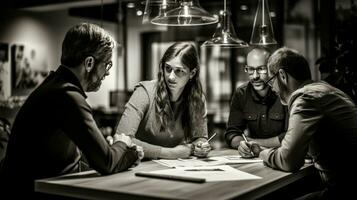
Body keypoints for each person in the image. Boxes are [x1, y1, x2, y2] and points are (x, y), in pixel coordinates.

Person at [0, 23, 143, 198]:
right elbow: (106, 163)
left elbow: (85, 158)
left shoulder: (54, 85)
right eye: (107, 65)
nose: (106, 73)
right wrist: (123, 144)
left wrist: (112, 152)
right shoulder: (67, 95)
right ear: (89, 63)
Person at [238, 47, 357, 199]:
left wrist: (261, 152)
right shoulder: (324, 90)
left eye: (271, 81)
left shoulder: (304, 98)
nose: (272, 88)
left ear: (282, 76)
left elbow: (288, 161)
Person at [115, 42, 211, 159]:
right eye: (168, 68)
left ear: (192, 73)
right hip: (139, 165)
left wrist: (200, 146)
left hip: (176, 167)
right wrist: (169, 153)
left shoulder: (197, 98)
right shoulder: (144, 92)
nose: (171, 77)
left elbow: (200, 137)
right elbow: (121, 138)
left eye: (179, 71)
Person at [225, 47, 287, 150]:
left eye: (261, 69)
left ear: (271, 69)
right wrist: (243, 145)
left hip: (282, 156)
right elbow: (232, 134)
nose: (255, 76)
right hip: (254, 156)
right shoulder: (241, 94)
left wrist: (253, 143)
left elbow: (290, 137)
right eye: (250, 69)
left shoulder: (284, 92)